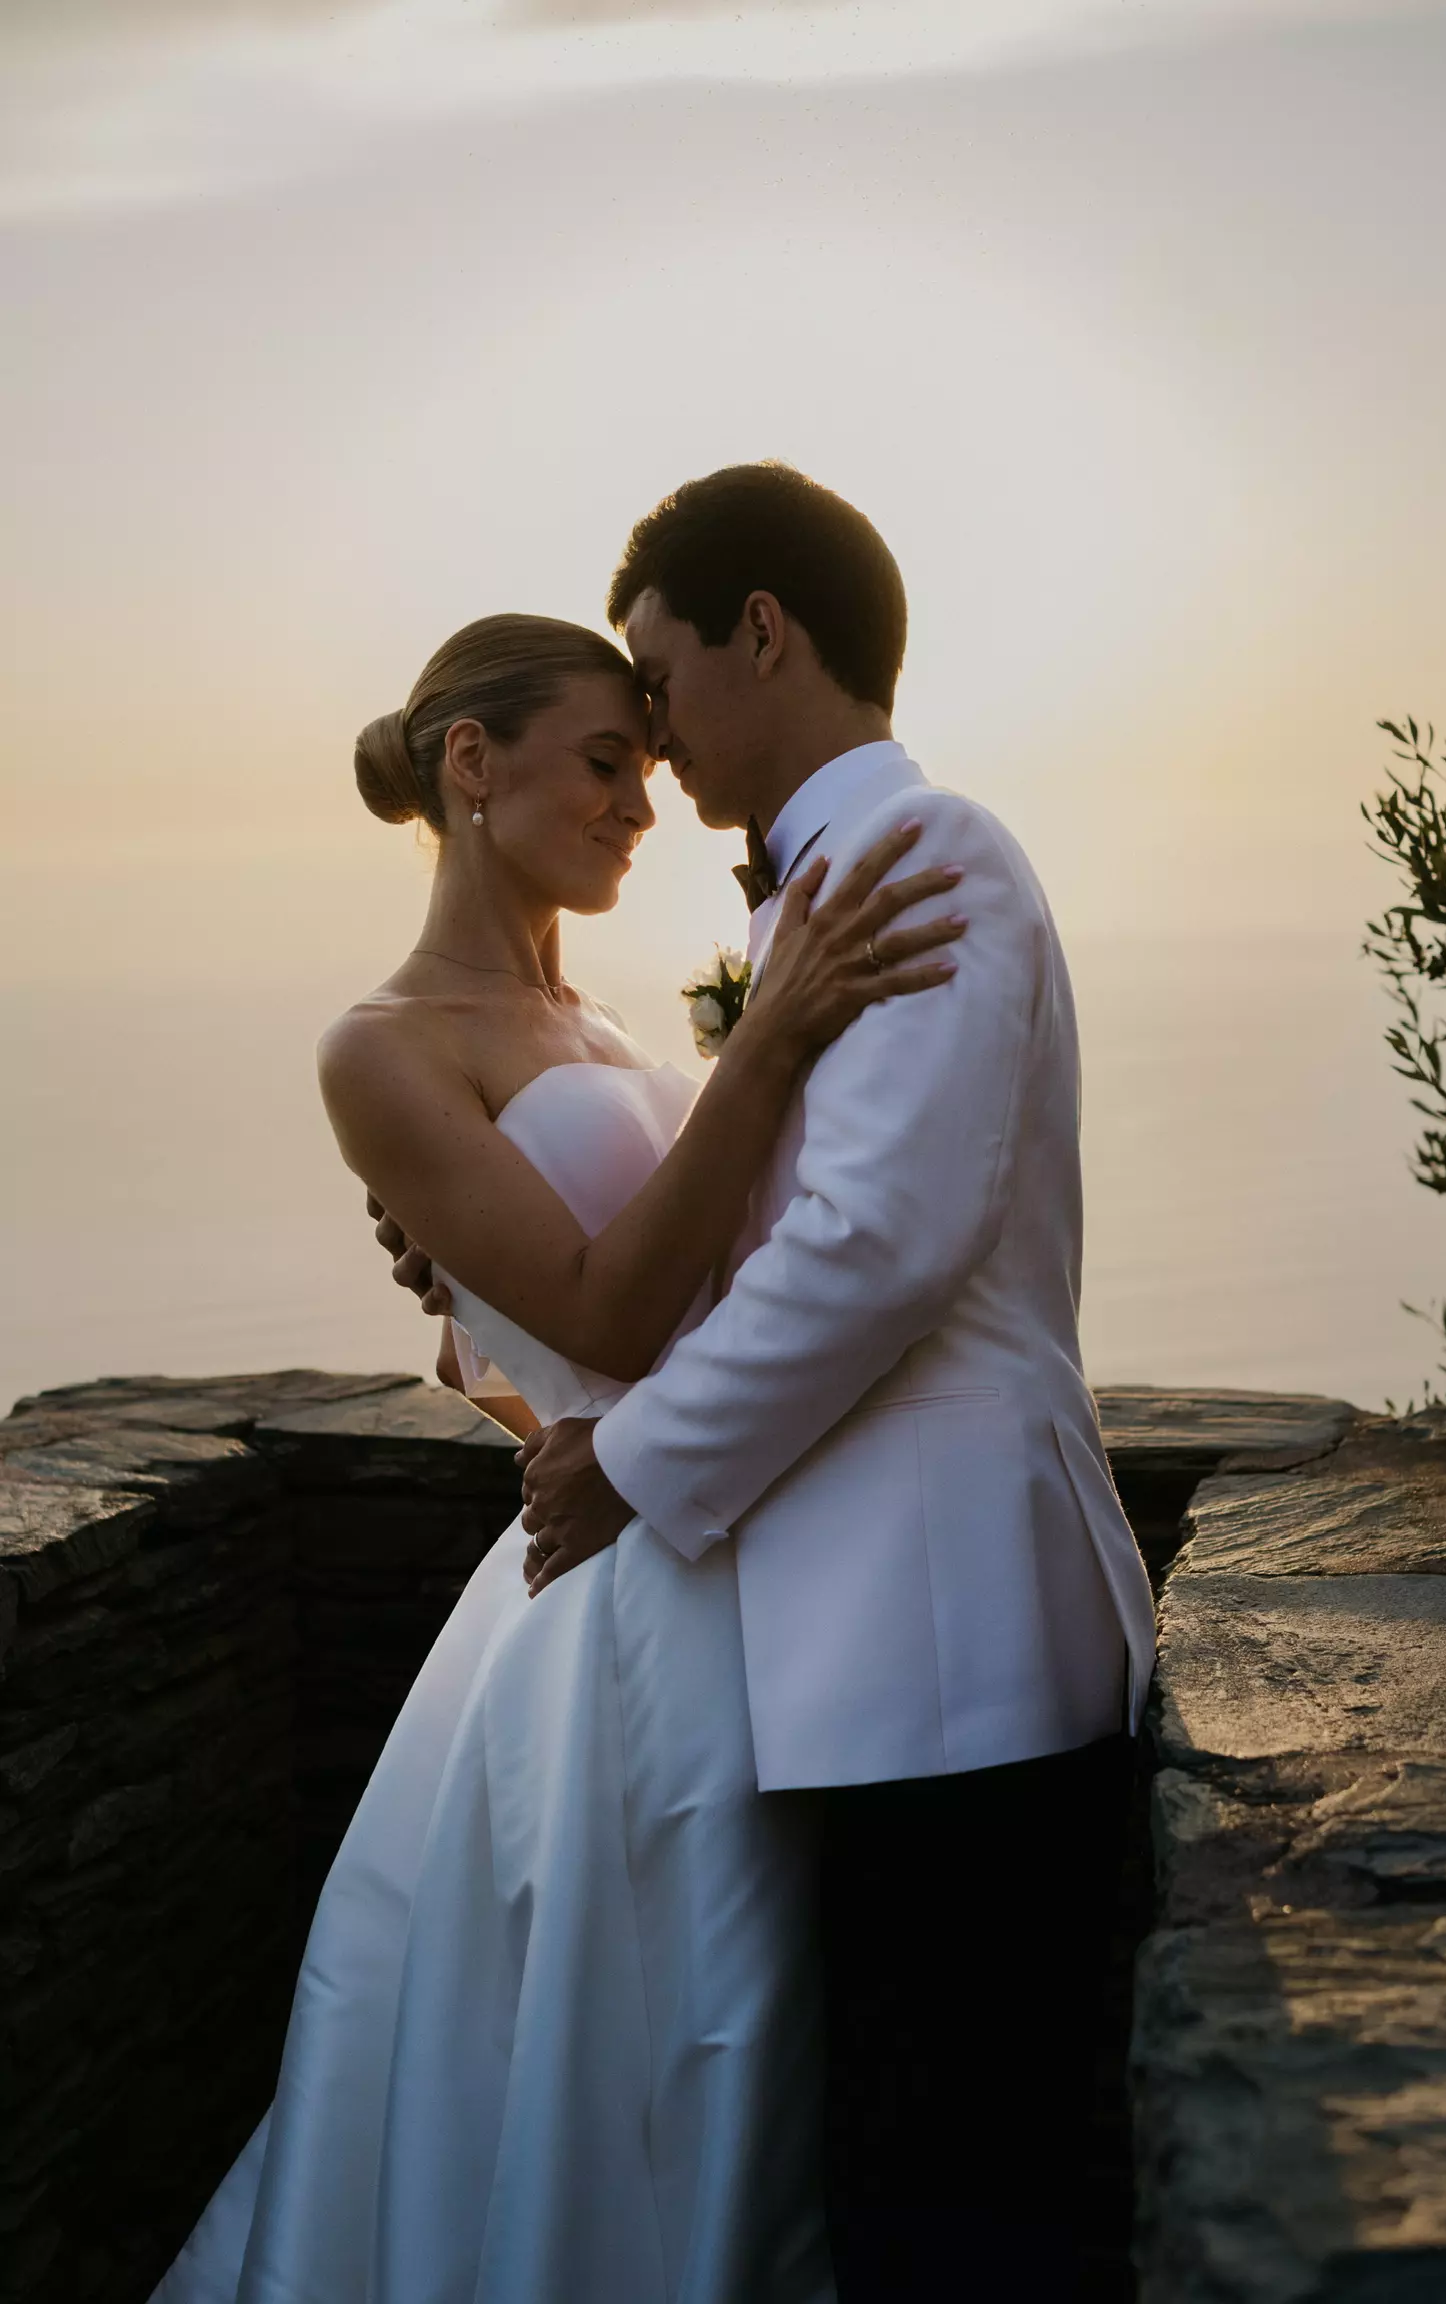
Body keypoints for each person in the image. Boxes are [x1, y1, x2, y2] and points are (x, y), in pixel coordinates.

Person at [151, 607, 965, 2304]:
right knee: (648, 2027)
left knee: (739, 2028)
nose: (639, 807)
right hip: (610, 1608)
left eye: (648, 771)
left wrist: (477, 1334)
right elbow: (617, 1295)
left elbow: (567, 1369)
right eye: (607, 764)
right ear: (473, 764)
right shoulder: (383, 1044)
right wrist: (778, 1039)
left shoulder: (594, 1027)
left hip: (716, 1543)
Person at [506, 464, 1160, 2301]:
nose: (645, 721)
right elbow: (755, 1234)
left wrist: (634, 1457)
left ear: (764, 634)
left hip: (953, 1645)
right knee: (882, 2164)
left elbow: (881, 1240)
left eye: (659, 668)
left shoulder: (932, 856)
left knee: (958, 2191)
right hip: (861, 1649)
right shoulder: (827, 897)